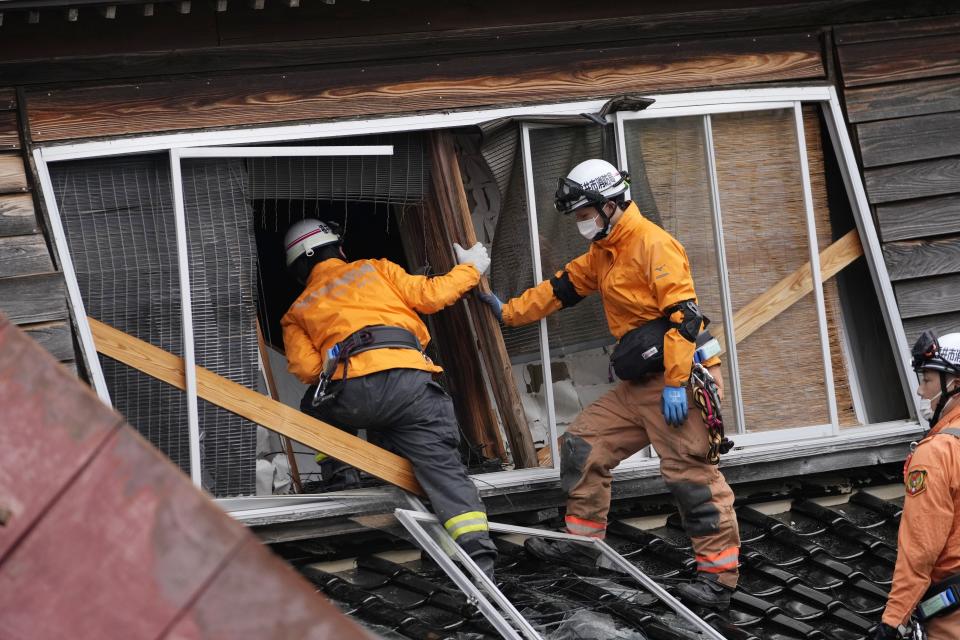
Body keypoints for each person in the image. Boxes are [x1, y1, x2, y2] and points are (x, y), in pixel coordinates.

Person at [478, 159, 740, 609]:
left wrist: (678, 384)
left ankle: (719, 580)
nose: (580, 223)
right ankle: (582, 546)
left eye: (584, 214)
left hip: (673, 380)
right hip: (639, 385)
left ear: (611, 205)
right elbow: (561, 288)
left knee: (691, 476)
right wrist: (507, 311)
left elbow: (686, 320)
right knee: (582, 446)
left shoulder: (654, 246)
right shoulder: (606, 251)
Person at [280, 218, 498, 579]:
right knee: (444, 473)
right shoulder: (376, 269)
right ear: (340, 250)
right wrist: (470, 269)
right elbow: (433, 296)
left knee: (312, 404)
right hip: (410, 386)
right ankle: (478, 565)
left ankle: (342, 473)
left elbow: (307, 370)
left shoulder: (297, 310)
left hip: (351, 397)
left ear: (301, 266)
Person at [873, 331, 960, 640]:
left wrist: (894, 619)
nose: (921, 392)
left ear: (955, 384)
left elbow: (920, 550)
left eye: (928, 380)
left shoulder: (936, 453)